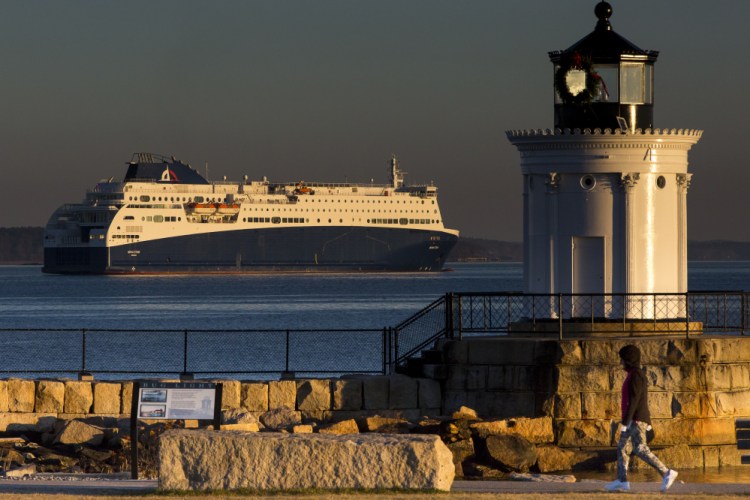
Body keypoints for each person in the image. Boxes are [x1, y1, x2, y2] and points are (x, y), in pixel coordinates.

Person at [605, 344, 678, 492]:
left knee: (639, 448)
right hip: (631, 418)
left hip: (636, 419)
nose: (621, 362)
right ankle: (622, 481)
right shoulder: (632, 374)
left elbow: (635, 399)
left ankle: (667, 473)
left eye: (622, 359)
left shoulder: (637, 375)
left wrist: (626, 422)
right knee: (622, 448)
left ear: (628, 360)